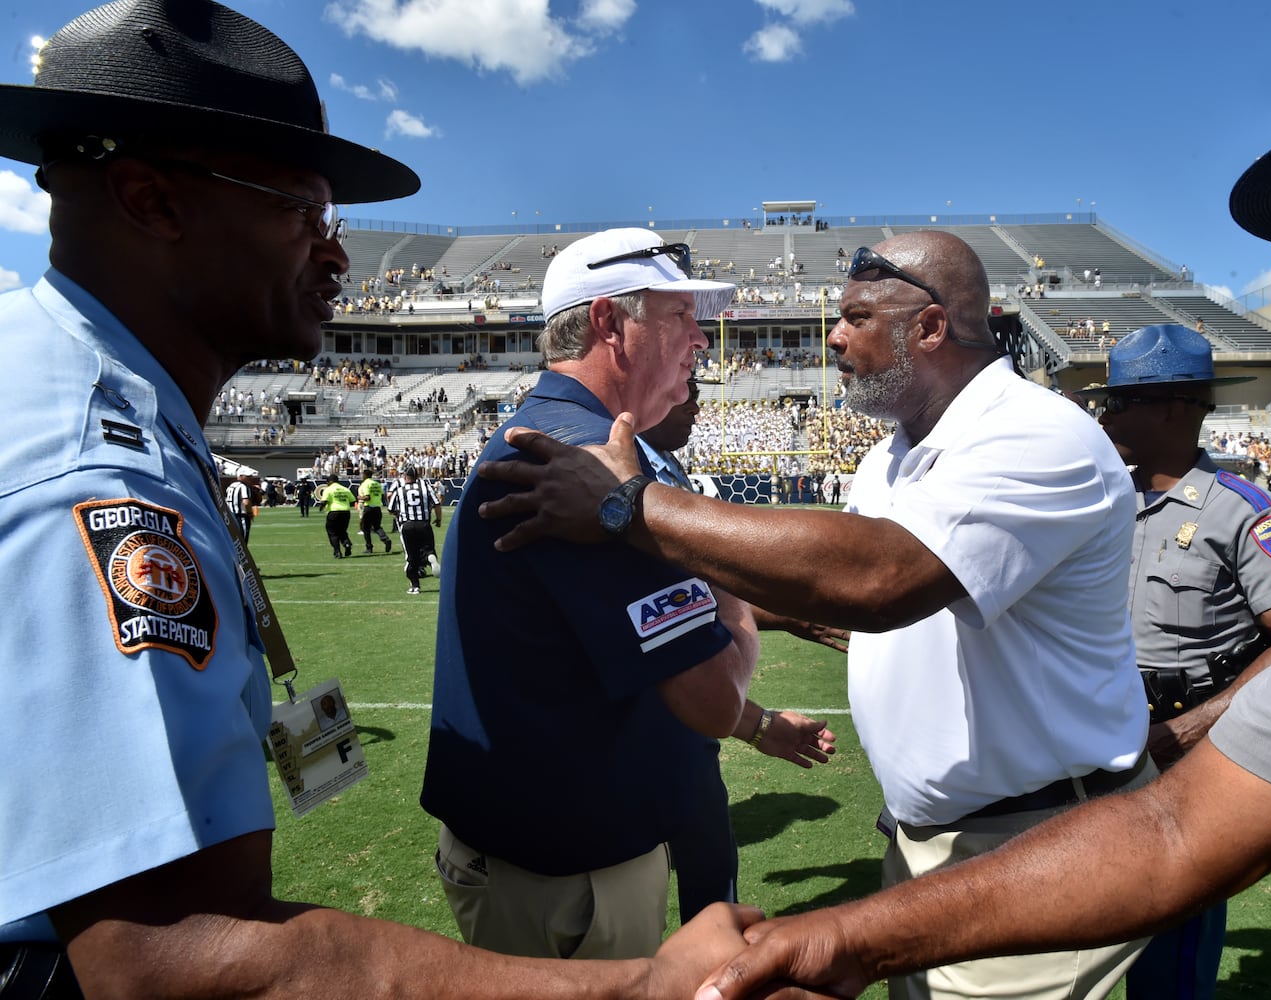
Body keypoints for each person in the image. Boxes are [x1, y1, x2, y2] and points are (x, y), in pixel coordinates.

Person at [684, 2, 1271, 997]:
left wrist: (631, 509)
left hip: (1044, 812)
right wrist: (850, 936)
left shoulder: (1094, 458)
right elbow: (1172, 828)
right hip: (1027, 835)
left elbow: (889, 581)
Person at [0, 4, 752, 997]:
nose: (337, 256)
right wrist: (632, 985)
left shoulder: (83, 387)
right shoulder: (98, 466)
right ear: (151, 199)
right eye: (302, 213)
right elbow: (162, 954)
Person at [476, 230, 1155, 1000]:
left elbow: (878, 578)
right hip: (938, 840)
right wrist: (752, 619)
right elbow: (834, 592)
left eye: (857, 317)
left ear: (930, 328)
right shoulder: (890, 453)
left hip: (1031, 843)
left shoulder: (1036, 432)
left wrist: (632, 508)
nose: (833, 335)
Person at [420, 228, 765, 962]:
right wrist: (730, 601)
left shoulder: (580, 439)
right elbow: (713, 701)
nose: (700, 339)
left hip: (562, 855)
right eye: (680, 316)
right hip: (564, 877)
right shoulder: (578, 460)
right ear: (611, 323)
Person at [1081, 324, 1271, 1000]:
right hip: (1103, 733)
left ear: (1173, 406)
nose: (1105, 416)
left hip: (1191, 744)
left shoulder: (1241, 511)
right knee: (1093, 912)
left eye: (1119, 402)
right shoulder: (1105, 503)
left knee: (1173, 940)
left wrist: (1193, 729)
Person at [637, 377, 842, 918]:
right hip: (658, 740)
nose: (699, 403)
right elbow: (678, 631)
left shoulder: (659, 463)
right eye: (685, 387)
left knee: (711, 903)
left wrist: (786, 614)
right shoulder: (625, 471)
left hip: (687, 740)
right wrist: (755, 721)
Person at [387, 464, 443, 594]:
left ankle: (415, 586)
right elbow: (437, 504)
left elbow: (390, 509)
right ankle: (430, 557)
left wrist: (399, 515)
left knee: (411, 556)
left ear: (405, 477)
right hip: (424, 524)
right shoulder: (425, 487)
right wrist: (438, 519)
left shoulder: (400, 490)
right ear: (417, 477)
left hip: (408, 525)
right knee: (427, 549)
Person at [318, 472, 356, 558]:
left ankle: (337, 551)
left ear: (331, 481)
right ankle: (347, 544)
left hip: (334, 512)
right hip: (346, 512)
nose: (327, 483)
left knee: (332, 533)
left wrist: (321, 508)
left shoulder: (328, 489)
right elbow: (353, 501)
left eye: (328, 482)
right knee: (342, 531)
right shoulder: (345, 489)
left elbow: (324, 501)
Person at [357, 467, 393, 554]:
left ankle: (369, 547)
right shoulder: (376, 484)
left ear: (365, 475)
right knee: (377, 527)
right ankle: (386, 539)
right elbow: (381, 495)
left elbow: (367, 497)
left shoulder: (365, 484)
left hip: (369, 507)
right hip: (377, 508)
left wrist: (359, 497)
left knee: (366, 529)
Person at [224, 469, 256, 542]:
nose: (250, 478)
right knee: (242, 541)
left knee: (233, 540)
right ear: (241, 476)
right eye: (248, 476)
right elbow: (246, 502)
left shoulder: (231, 486)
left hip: (230, 516)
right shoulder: (243, 487)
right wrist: (250, 513)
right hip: (241, 517)